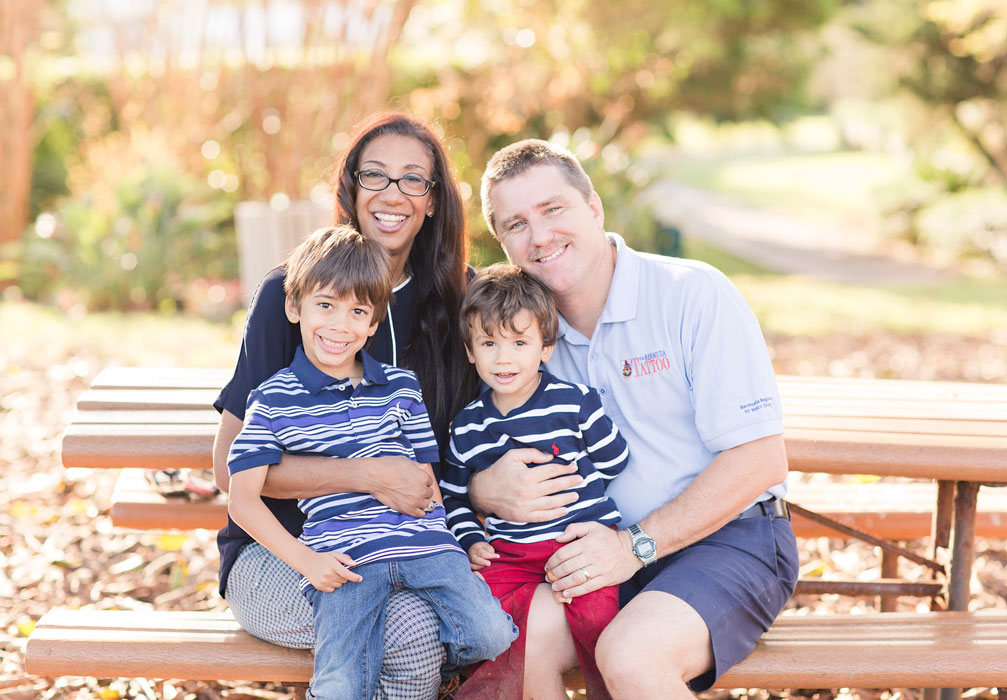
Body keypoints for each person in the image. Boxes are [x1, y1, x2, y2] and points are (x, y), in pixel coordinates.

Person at [468, 139, 799, 699]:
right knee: (517, 643)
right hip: (590, 548)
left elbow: (760, 459)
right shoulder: (517, 339)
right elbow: (478, 456)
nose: (540, 235)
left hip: (727, 538)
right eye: (517, 224)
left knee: (631, 655)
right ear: (503, 244)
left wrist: (633, 548)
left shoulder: (692, 294)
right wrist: (481, 489)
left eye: (554, 210)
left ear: (593, 207)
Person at [211, 112, 478, 700]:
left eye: (414, 180)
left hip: (414, 550)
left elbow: (475, 447)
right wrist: (364, 475)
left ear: (433, 201)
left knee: (434, 620)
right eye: (374, 176)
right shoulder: (295, 292)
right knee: (410, 630)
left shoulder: (459, 300)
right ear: (351, 188)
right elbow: (226, 466)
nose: (393, 194)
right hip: (283, 552)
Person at [226, 226, 516, 699]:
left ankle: (442, 674)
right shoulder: (273, 400)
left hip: (424, 550)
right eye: (326, 305)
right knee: (342, 683)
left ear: (373, 323)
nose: (340, 326)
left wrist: (450, 540)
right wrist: (307, 562)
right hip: (347, 561)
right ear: (294, 307)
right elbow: (241, 499)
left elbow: (427, 477)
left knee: (492, 635)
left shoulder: (402, 388)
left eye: (357, 311)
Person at [439, 263, 629, 700]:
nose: (503, 358)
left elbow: (615, 460)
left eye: (519, 343)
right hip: (511, 555)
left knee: (599, 624)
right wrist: (471, 541)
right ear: (470, 351)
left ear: (545, 348)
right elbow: (453, 495)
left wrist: (582, 489)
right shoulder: (467, 426)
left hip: (577, 543)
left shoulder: (575, 403)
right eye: (489, 343)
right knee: (483, 621)